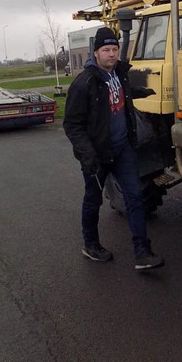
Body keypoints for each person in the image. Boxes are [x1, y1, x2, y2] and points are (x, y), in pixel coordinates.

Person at [63, 27, 164, 271]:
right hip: (97, 156)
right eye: (106, 50)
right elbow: (72, 125)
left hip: (123, 150)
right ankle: (91, 245)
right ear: (95, 53)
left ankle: (142, 252)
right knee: (93, 200)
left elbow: (121, 95)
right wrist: (87, 156)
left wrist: (142, 92)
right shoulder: (84, 84)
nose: (111, 54)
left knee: (135, 198)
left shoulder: (120, 73)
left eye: (114, 49)